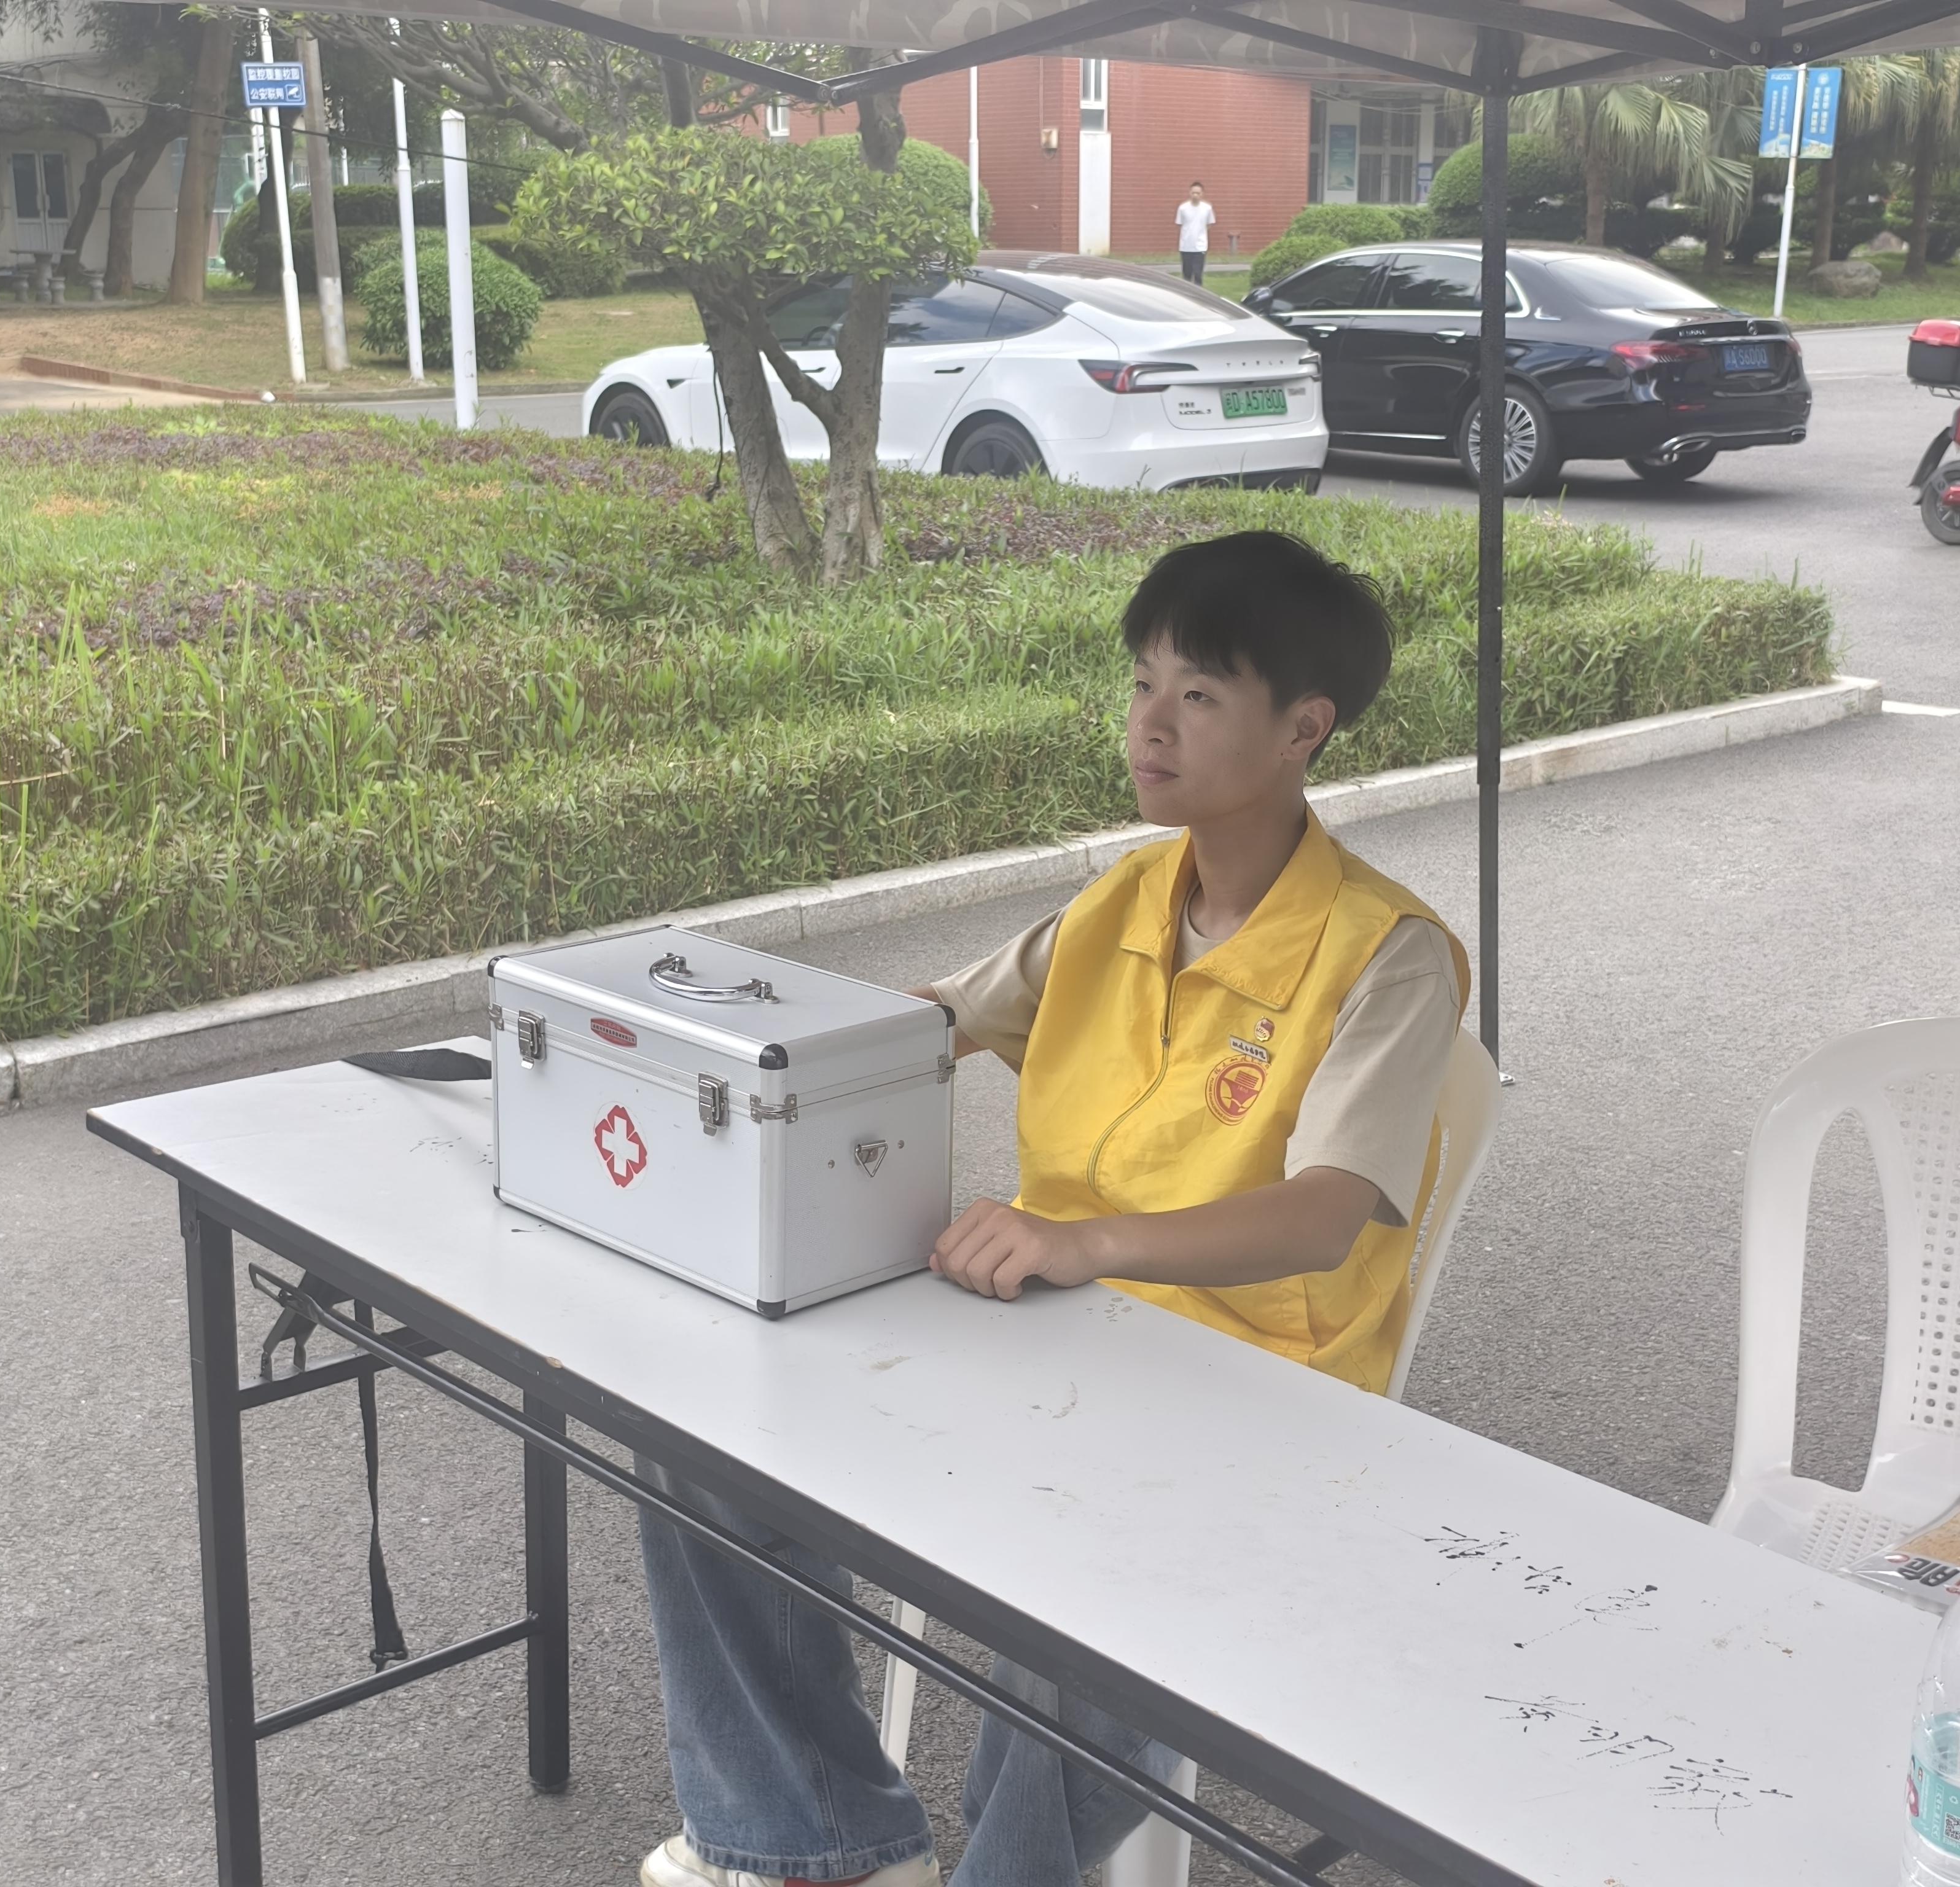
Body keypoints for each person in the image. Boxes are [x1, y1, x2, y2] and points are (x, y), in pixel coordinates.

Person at [635, 531, 1469, 1887]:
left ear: (1302, 728)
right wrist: (710, 1044)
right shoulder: (1122, 901)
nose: (1149, 724)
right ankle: (814, 1841)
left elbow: (1326, 1213)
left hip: (1253, 1390)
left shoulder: (1387, 954)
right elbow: (932, 1019)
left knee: (1104, 1585)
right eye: (1141, 683)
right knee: (697, 1431)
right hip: (1040, 1335)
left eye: (1198, 694)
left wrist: (1086, 1242)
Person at [1174, 182, 1215, 285]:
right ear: (1190, 193)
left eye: (1198, 193)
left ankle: (1198, 293)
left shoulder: (1207, 208)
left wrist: (1200, 233)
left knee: (1198, 275)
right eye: (1193, 193)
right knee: (1187, 276)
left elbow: (1210, 224)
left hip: (1200, 247)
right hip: (1186, 247)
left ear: (1202, 194)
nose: (1195, 195)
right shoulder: (1183, 208)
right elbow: (1179, 224)